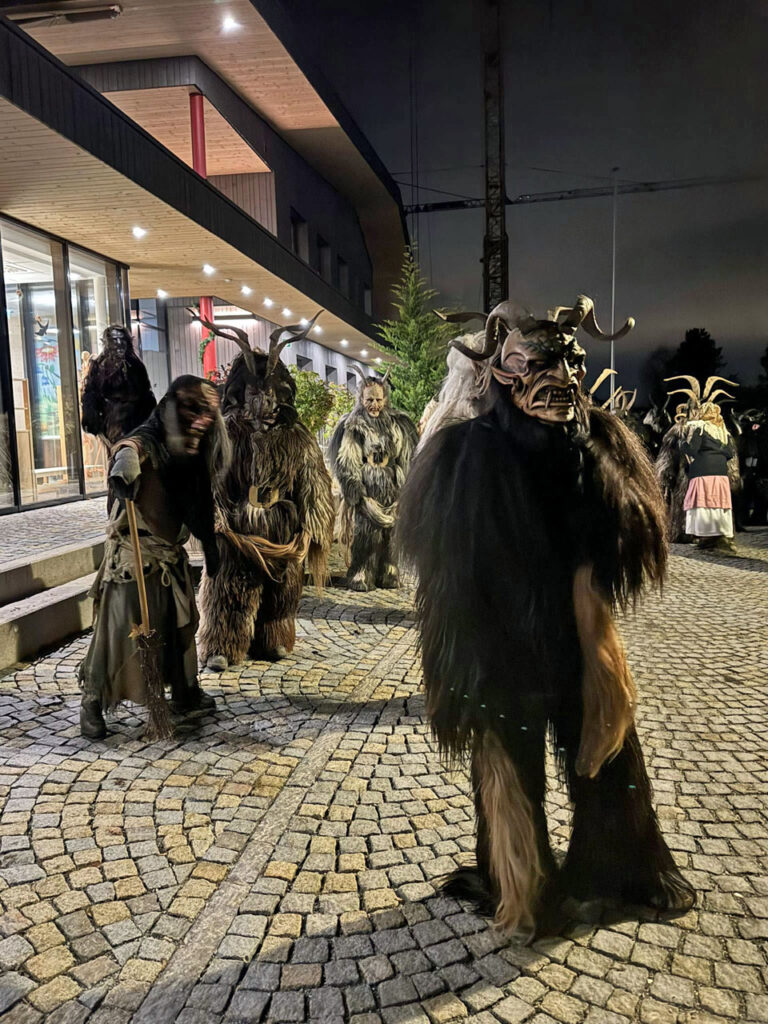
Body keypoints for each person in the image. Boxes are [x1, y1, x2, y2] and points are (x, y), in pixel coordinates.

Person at [397, 295, 695, 938]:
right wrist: (466, 665)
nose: (557, 383)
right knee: (509, 765)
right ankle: (518, 880)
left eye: (567, 366)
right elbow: (446, 565)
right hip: (499, 644)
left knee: (610, 756)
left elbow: (632, 533)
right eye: (536, 365)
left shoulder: (598, 441)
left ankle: (614, 870)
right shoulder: (465, 454)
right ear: (502, 373)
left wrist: (591, 469)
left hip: (576, 637)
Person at [79, 376, 229, 740]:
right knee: (118, 632)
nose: (203, 419)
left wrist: (212, 551)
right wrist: (125, 461)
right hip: (135, 559)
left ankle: (185, 692)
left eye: (209, 412)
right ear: (173, 407)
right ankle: (92, 701)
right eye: (194, 409)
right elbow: (134, 443)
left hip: (169, 558)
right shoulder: (155, 435)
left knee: (180, 628)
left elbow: (198, 502)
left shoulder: (192, 451)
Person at [195, 313, 334, 671]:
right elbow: (209, 483)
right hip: (238, 527)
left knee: (281, 588)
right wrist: (216, 521)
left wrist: (311, 529)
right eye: (255, 393)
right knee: (229, 586)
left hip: (280, 525)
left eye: (269, 394)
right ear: (241, 394)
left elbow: (314, 483)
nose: (262, 402)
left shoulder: (296, 437)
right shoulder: (226, 435)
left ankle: (273, 637)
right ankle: (222, 643)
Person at [329, 366, 418, 591]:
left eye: (378, 399)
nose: (374, 405)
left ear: (385, 399)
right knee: (366, 533)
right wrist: (355, 491)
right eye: (369, 399)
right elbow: (346, 459)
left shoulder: (398, 424)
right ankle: (362, 571)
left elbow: (405, 458)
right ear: (361, 398)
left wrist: (405, 489)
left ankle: (389, 570)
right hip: (367, 483)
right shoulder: (351, 425)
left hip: (391, 483)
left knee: (392, 533)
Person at [682, 404, 737, 551]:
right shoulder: (723, 431)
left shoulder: (700, 428)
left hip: (702, 472)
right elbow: (730, 453)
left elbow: (692, 450)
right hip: (720, 473)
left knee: (703, 503)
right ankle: (719, 534)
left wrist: (683, 444)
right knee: (718, 503)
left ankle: (705, 536)